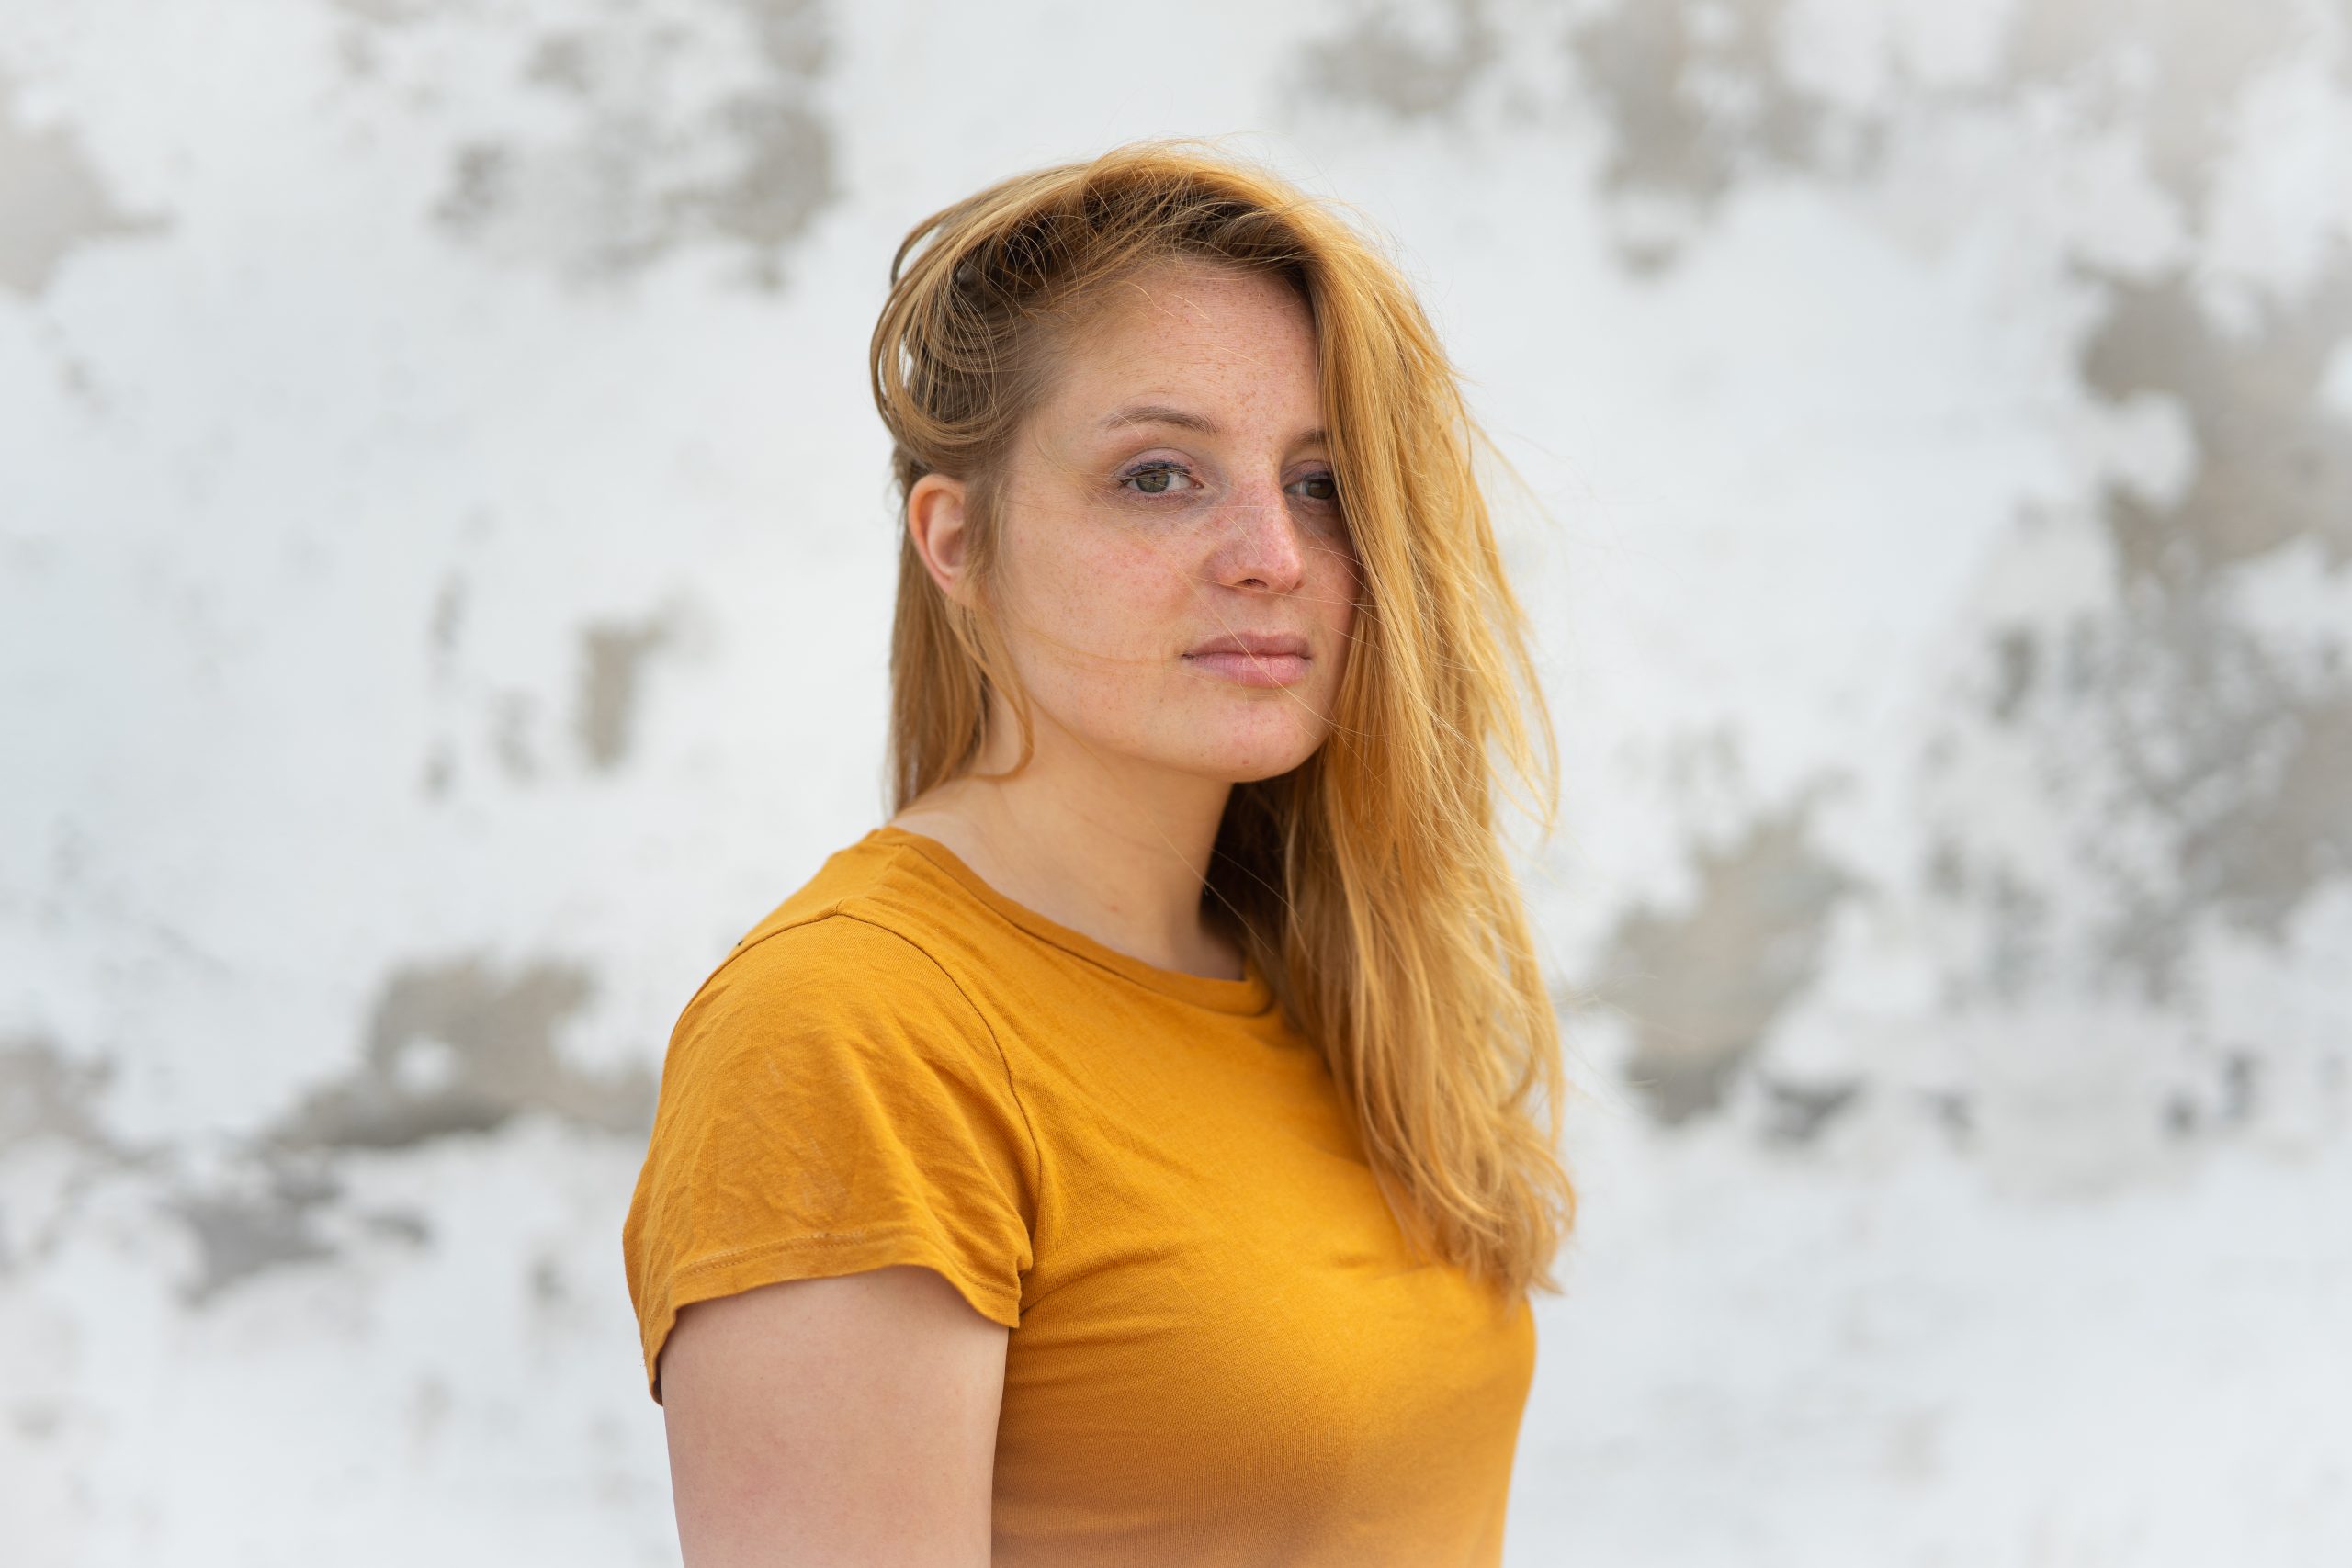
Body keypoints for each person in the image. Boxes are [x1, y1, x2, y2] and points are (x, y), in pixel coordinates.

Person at [621, 139, 1578, 1567]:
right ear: (958, 540)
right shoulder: (853, 1036)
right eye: (1158, 476)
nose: (1271, 554)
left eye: (1322, 482)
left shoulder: (1326, 979)